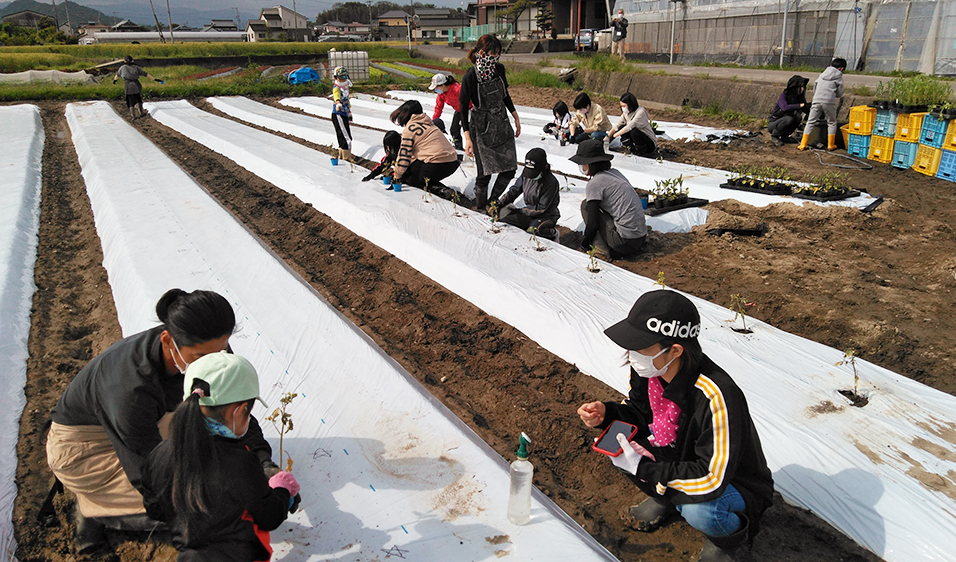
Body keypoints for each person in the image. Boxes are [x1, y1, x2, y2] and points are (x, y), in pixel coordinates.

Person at [46, 289, 279, 554]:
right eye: (200, 358)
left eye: (222, 352)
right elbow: (150, 479)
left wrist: (263, 461)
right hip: (84, 450)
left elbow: (236, 408)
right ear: (168, 340)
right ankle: (95, 510)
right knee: (206, 507)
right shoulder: (131, 391)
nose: (213, 365)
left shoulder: (211, 351)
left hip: (137, 426)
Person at [577, 290, 774, 562]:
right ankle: (666, 498)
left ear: (676, 350)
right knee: (620, 445)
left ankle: (728, 540)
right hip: (677, 456)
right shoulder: (651, 371)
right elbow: (638, 411)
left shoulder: (716, 396)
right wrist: (606, 414)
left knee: (700, 511)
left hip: (732, 481)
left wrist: (646, 468)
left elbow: (711, 477)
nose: (632, 355)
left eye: (642, 347)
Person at [142, 352, 300, 561]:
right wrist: (283, 491)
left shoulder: (159, 454)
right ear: (240, 411)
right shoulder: (240, 464)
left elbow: (154, 509)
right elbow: (269, 517)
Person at [460, 34, 521, 211]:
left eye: (497, 55)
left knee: (509, 168)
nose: (495, 58)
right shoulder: (470, 77)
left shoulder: (499, 70)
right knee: (484, 172)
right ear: (481, 52)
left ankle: (492, 202)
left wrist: (515, 116)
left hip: (501, 122)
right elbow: (463, 109)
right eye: (492, 54)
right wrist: (468, 138)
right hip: (481, 126)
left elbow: (505, 96)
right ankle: (480, 207)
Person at [571, 139, 647, 260]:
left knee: (586, 205)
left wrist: (584, 244)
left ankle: (601, 250)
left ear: (590, 164)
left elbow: (592, 224)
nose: (581, 167)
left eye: (582, 164)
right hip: (640, 237)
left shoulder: (595, 183)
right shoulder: (615, 173)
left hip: (625, 242)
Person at [390, 99, 461, 189]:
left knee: (413, 181)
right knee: (415, 171)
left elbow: (404, 156)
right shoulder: (430, 125)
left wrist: (397, 176)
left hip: (437, 163)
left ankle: (443, 191)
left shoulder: (409, 130)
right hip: (452, 162)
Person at [495, 148, 561, 241]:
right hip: (528, 213)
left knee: (533, 231)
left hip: (545, 216)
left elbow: (541, 209)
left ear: (545, 167)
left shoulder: (551, 183)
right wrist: (500, 203)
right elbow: (515, 190)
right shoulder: (526, 175)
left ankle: (553, 233)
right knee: (503, 219)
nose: (530, 176)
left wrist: (520, 211)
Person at [798, 58, 846, 151]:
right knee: (831, 122)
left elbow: (815, 87)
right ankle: (830, 145)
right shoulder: (839, 77)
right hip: (829, 102)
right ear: (841, 68)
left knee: (810, 122)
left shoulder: (822, 75)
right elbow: (840, 94)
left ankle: (803, 144)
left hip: (816, 100)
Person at [112, 55, 162, 120]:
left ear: (125, 61)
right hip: (136, 84)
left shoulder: (122, 68)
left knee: (130, 100)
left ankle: (133, 116)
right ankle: (141, 112)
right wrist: (155, 79)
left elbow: (117, 76)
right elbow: (146, 74)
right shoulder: (136, 68)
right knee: (138, 98)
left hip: (128, 85)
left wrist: (114, 80)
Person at [768, 75, 810, 147]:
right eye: (801, 87)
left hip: (786, 121)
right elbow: (785, 107)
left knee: (798, 117)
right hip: (774, 124)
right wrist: (799, 106)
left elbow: (805, 109)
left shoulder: (798, 98)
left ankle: (785, 136)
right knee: (789, 119)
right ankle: (775, 136)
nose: (803, 89)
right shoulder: (784, 96)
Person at [429, 73, 464, 150]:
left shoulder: (457, 89)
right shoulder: (441, 94)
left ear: (443, 85)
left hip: (470, 109)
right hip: (459, 111)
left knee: (470, 130)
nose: (436, 90)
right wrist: (434, 121)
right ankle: (458, 148)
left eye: (436, 87)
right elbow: (438, 107)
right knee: (454, 130)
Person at [331, 66, 353, 162]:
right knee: (346, 136)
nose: (343, 80)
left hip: (343, 114)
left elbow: (347, 101)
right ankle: (347, 157)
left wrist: (349, 111)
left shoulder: (345, 88)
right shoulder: (337, 88)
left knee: (342, 134)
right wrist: (338, 103)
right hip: (338, 114)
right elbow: (336, 96)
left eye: (345, 77)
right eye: (341, 78)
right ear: (336, 78)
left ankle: (341, 155)